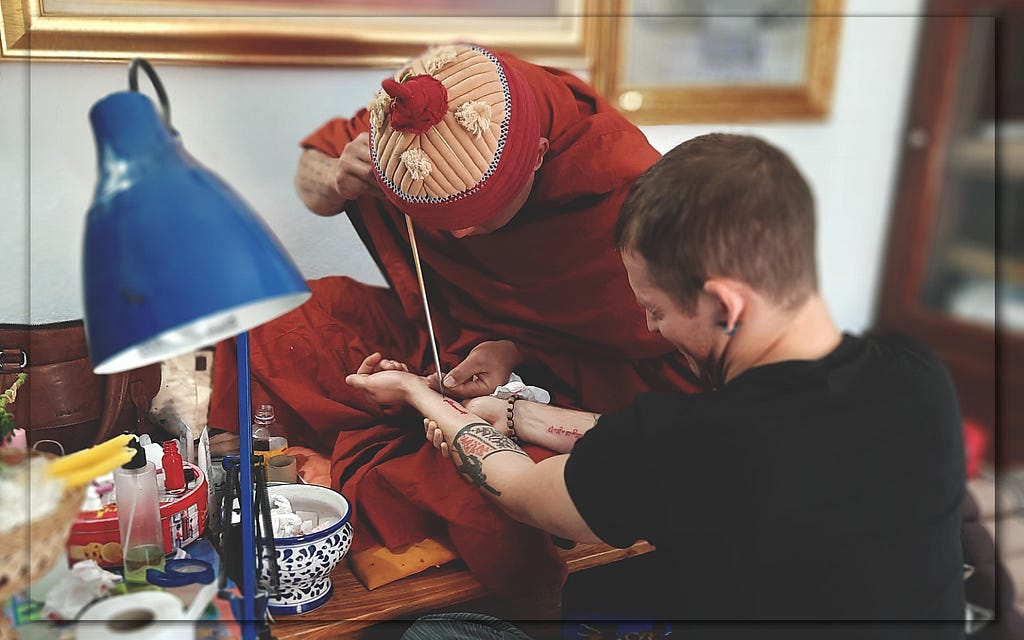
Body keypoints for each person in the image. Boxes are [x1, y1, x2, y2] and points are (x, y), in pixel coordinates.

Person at [346, 133, 968, 638]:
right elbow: (652, 449)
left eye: (656, 308)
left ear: (724, 304)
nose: (648, 325)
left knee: (439, 632)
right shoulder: (917, 373)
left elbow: (519, 488)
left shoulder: (698, 446)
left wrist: (420, 396)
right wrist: (512, 414)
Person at [207, 42, 696, 597]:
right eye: (436, 219)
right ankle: (261, 473)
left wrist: (512, 355)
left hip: (592, 381)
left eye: (476, 219)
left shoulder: (621, 188)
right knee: (267, 316)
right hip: (448, 329)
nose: (458, 237)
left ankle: (357, 463)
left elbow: (650, 347)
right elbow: (310, 170)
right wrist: (337, 178)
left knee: (494, 490)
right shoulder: (419, 111)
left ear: (535, 155)